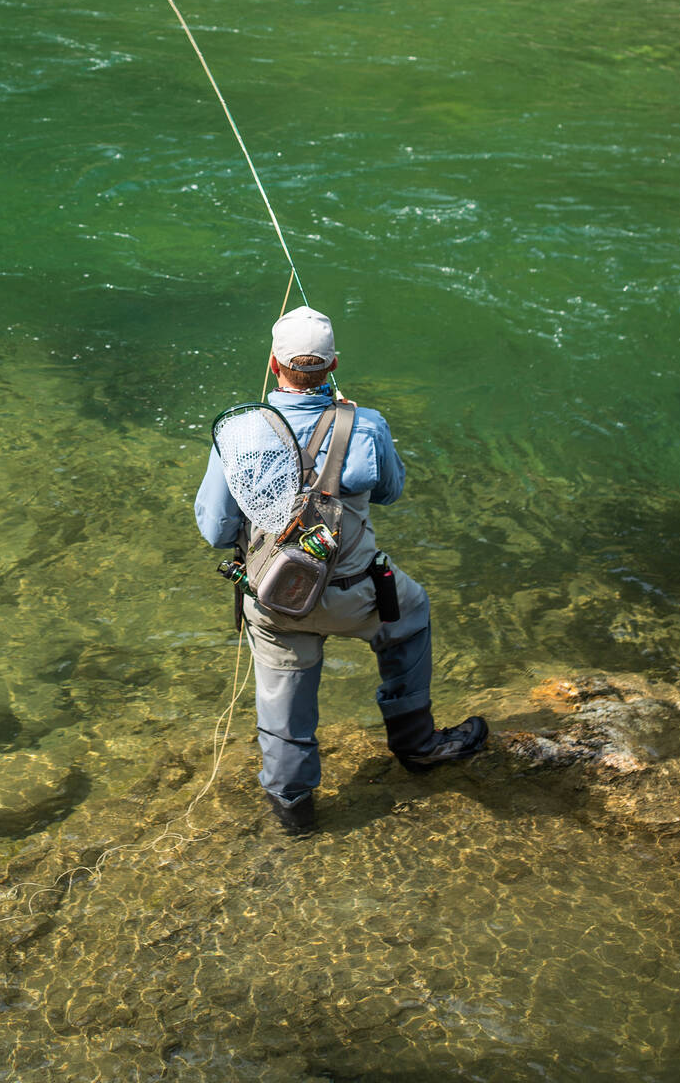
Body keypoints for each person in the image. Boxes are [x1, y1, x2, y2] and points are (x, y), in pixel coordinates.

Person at [195, 304, 488, 835]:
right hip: (358, 596)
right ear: (333, 366)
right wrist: (354, 429)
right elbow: (393, 491)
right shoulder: (366, 424)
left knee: (284, 693)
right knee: (412, 612)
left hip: (278, 599)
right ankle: (418, 746)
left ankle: (294, 810)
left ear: (272, 363)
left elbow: (216, 531)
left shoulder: (239, 433)